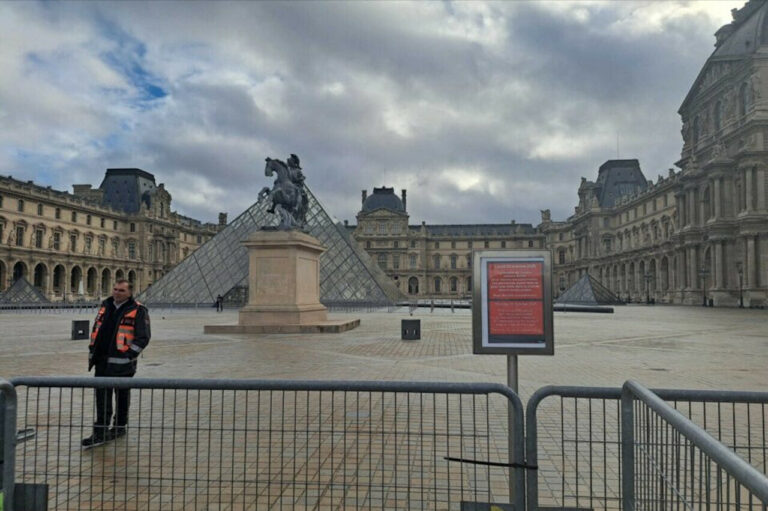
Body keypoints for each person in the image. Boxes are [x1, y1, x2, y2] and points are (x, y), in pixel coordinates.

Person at [82, 279, 150, 447]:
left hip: (122, 363)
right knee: (102, 397)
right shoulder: (105, 306)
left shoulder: (138, 310)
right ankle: (101, 431)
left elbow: (143, 337)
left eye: (121, 290)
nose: (116, 293)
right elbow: (96, 329)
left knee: (122, 396)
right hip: (101, 360)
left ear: (129, 293)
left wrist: (129, 355)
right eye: (115, 289)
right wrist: (93, 350)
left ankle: (119, 426)